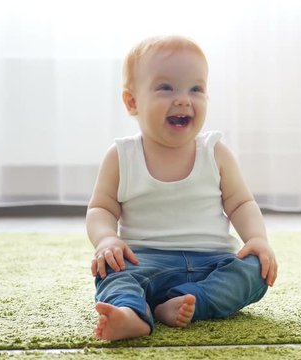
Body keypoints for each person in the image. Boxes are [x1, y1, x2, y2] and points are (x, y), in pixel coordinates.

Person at [85, 35, 278, 341]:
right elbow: (101, 209)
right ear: (132, 102)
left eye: (196, 89)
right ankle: (130, 312)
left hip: (212, 263)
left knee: (256, 271)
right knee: (108, 270)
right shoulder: (122, 156)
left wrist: (257, 239)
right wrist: (106, 239)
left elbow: (241, 203)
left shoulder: (215, 152)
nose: (184, 99)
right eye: (166, 88)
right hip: (145, 262)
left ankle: (188, 300)